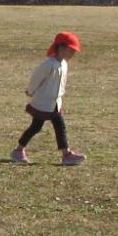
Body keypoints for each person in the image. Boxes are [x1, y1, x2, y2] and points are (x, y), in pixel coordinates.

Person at [11, 31, 84, 165]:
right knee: (36, 127)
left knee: (59, 126)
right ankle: (19, 150)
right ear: (61, 48)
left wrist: (60, 97)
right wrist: (31, 91)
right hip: (43, 103)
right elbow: (36, 78)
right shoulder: (48, 64)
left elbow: (61, 83)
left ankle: (66, 154)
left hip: (55, 103)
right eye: (71, 50)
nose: (73, 54)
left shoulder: (64, 64)